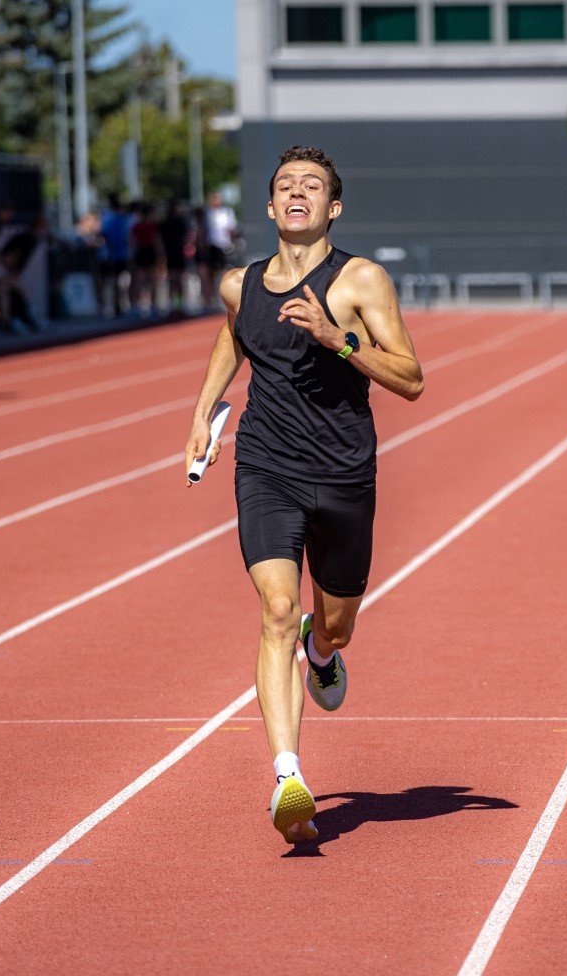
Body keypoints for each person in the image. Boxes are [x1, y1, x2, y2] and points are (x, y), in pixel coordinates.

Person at [184, 145, 425, 846]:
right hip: (267, 465)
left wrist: (337, 339)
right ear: (269, 206)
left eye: (311, 186)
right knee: (278, 609)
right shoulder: (241, 283)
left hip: (345, 471)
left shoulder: (360, 281)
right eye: (286, 184)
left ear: (333, 207)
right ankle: (289, 776)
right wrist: (204, 410)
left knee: (334, 621)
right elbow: (232, 336)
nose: (297, 193)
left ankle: (326, 653)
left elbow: (410, 378)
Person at [200, 190, 239, 311]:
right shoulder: (207, 213)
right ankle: (209, 301)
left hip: (224, 246)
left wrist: (234, 241)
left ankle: (223, 300)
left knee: (224, 274)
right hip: (211, 246)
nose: (215, 201)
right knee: (210, 275)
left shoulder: (227, 212)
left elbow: (232, 228)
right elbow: (202, 230)